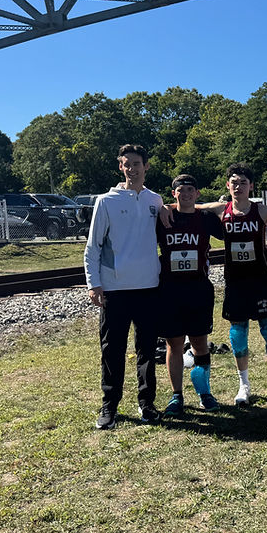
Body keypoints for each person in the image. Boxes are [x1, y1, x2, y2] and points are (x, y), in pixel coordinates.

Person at [202, 163, 267, 407]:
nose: (238, 187)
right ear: (228, 185)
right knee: (238, 335)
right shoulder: (220, 210)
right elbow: (190, 206)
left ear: (251, 186)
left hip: (260, 280)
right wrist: (163, 208)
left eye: (243, 183)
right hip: (235, 282)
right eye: (234, 182)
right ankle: (243, 385)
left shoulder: (262, 211)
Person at [85, 144, 164, 430]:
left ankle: (147, 404)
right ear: (121, 167)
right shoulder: (106, 201)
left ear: (146, 166)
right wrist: (94, 284)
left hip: (148, 289)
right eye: (127, 163)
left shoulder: (155, 200)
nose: (132, 168)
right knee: (112, 350)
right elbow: (92, 248)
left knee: (147, 351)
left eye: (137, 163)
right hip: (115, 291)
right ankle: (109, 406)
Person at [157, 174, 225, 416]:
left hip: (198, 289)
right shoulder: (163, 216)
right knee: (174, 344)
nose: (185, 194)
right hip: (169, 290)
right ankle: (177, 395)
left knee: (199, 344)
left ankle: (204, 392)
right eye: (180, 190)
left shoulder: (204, 217)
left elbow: (229, 226)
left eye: (190, 190)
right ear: (173, 193)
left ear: (197, 194)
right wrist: (163, 207)